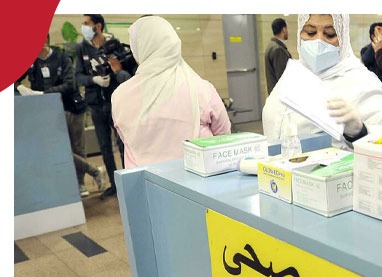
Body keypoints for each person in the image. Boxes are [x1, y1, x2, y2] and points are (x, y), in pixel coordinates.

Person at [262, 14, 382, 150]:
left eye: (330, 34)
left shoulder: (364, 83)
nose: (319, 41)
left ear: (343, 37)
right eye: (310, 32)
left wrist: (360, 131)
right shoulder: (293, 74)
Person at [112, 16, 231, 169]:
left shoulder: (119, 95)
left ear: (139, 48)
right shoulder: (200, 89)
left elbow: (125, 139)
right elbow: (224, 137)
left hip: (142, 180)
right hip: (196, 179)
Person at [16, 34, 106, 197]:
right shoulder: (31, 61)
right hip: (49, 112)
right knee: (57, 148)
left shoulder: (62, 58)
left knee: (77, 147)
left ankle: (80, 184)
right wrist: (20, 87)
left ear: (45, 41)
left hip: (72, 108)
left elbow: (70, 84)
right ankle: (94, 171)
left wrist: (44, 93)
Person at [75, 14, 132, 199]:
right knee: (105, 147)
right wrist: (94, 80)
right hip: (96, 105)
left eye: (86, 23)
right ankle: (114, 185)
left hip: (115, 102)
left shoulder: (113, 45)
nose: (83, 27)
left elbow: (124, 69)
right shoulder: (81, 48)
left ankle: (127, 183)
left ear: (98, 26)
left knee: (122, 144)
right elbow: (78, 76)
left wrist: (113, 75)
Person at [265, 18, 292, 95]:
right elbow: (282, 77)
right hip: (280, 95)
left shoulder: (271, 45)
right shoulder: (278, 50)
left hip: (275, 93)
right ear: (284, 30)